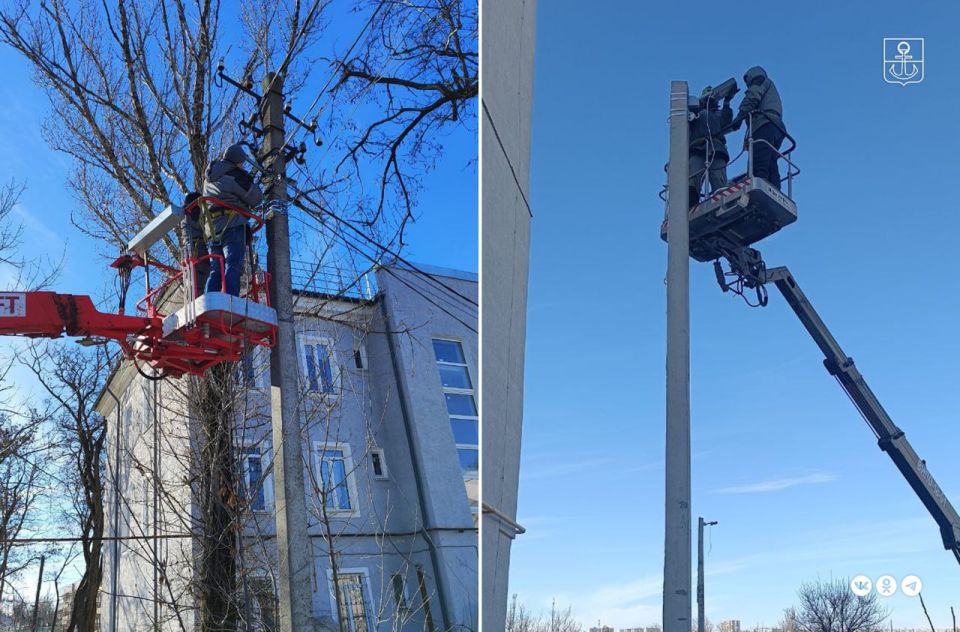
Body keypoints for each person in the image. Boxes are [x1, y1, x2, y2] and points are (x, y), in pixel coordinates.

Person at [202, 143, 262, 296]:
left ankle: (211, 301)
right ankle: (231, 301)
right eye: (242, 163)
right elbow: (256, 197)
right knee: (233, 264)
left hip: (212, 229)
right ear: (238, 161)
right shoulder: (235, 175)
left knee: (216, 269)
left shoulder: (209, 177)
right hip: (232, 224)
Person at [733, 66, 786, 189]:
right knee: (771, 163)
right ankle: (774, 190)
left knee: (759, 162)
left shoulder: (759, 80)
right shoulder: (770, 88)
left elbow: (752, 97)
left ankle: (760, 187)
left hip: (765, 124)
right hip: (776, 127)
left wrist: (740, 116)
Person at [688, 86, 734, 206]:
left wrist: (727, 102)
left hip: (716, 148)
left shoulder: (718, 115)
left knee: (719, 181)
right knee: (693, 180)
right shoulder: (695, 114)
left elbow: (728, 123)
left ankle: (721, 205)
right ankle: (689, 205)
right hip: (697, 148)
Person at [181, 191, 209, 298]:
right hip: (196, 251)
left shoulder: (186, 216)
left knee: (195, 284)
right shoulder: (189, 217)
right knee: (197, 283)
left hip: (194, 251)